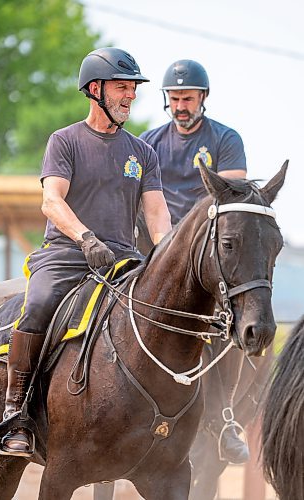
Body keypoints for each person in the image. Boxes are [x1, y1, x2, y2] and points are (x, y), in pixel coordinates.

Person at [0, 47, 171, 457]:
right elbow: (51, 201)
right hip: (66, 253)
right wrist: (86, 238)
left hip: (123, 261)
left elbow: (157, 217)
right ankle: (16, 410)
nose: (130, 96)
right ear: (95, 89)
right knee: (38, 304)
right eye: (122, 88)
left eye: (133, 89)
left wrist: (168, 257)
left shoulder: (142, 153)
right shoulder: (65, 141)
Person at [137, 59, 249, 464]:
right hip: (156, 250)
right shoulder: (148, 141)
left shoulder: (225, 139)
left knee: (227, 322)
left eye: (187, 98)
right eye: (174, 98)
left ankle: (224, 418)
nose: (180, 105)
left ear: (202, 98)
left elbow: (233, 197)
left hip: (206, 253)